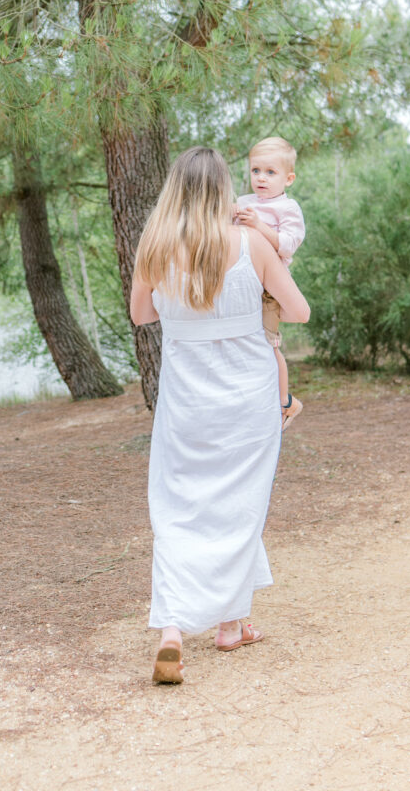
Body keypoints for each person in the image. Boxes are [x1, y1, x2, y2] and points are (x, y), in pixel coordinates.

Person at [130, 147, 310, 685]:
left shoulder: (156, 246)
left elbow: (141, 315)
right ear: (224, 190)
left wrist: (181, 306)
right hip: (248, 396)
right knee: (240, 504)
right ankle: (231, 622)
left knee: (178, 508)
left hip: (186, 400)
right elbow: (298, 312)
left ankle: (179, 631)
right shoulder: (251, 242)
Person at [234, 137, 305, 430]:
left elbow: (288, 245)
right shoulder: (242, 202)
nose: (261, 178)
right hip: (240, 280)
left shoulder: (288, 208)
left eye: (270, 172)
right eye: (255, 171)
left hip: (268, 287)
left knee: (269, 344)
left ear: (289, 178)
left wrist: (258, 225)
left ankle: (283, 403)